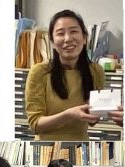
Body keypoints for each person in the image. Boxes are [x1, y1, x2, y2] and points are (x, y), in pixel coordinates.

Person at [25, 9, 108, 140]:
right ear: (52, 42)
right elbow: (35, 125)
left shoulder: (96, 71)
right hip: (45, 148)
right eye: (60, 33)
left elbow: (92, 121)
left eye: (74, 31)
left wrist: (105, 110)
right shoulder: (39, 72)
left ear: (85, 37)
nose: (68, 39)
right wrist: (68, 115)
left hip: (81, 147)